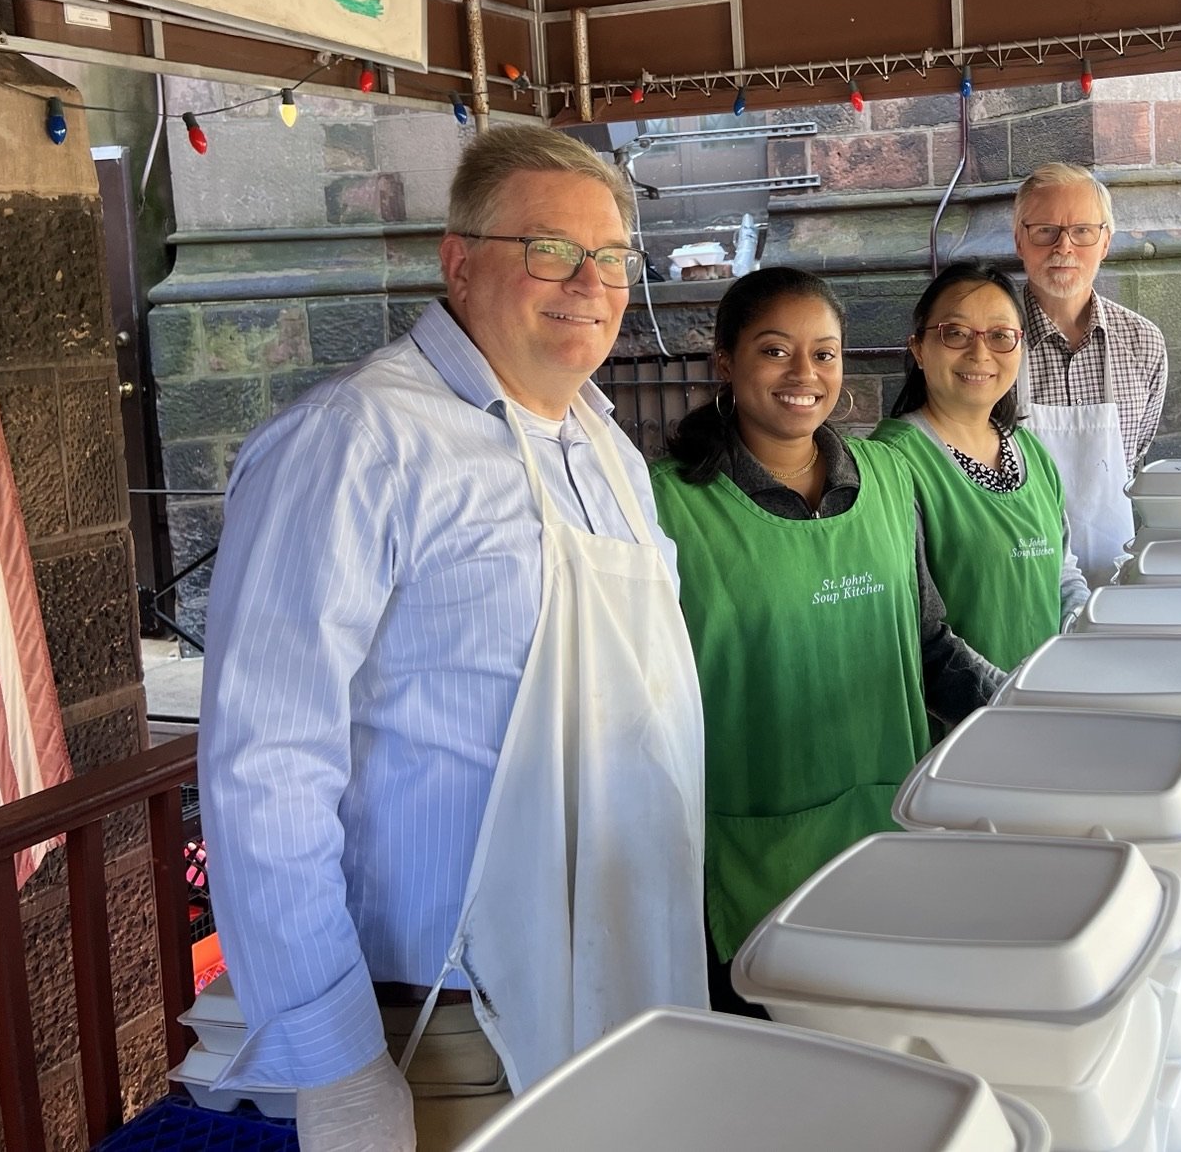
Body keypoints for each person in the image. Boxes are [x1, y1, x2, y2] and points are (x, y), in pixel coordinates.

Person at [199, 127, 706, 1152]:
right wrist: (335, 1061)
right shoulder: (355, 443)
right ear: (458, 259)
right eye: (548, 249)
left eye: (611, 257)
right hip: (449, 1019)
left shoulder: (604, 446)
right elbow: (265, 763)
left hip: (626, 974)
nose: (588, 282)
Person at [649, 267, 1004, 1007]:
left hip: (883, 838)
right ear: (726, 362)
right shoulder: (666, 503)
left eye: (826, 352)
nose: (805, 374)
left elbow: (930, 644)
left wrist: (1024, 715)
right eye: (775, 351)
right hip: (744, 855)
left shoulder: (887, 476)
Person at [872, 262, 1087, 670]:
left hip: (1050, 704)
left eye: (1001, 336)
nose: (980, 353)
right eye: (955, 333)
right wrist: (1010, 701)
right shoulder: (894, 463)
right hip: (963, 725)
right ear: (918, 348)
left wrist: (1077, 644)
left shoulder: (1030, 451)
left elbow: (1062, 572)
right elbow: (915, 628)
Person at [1013, 162, 1170, 584]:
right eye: (1045, 230)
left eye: (1083, 231)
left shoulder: (1144, 344)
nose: (1063, 247)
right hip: (1016, 570)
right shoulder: (990, 342)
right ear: (1019, 241)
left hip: (1114, 574)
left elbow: (1133, 461)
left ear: (1105, 243)